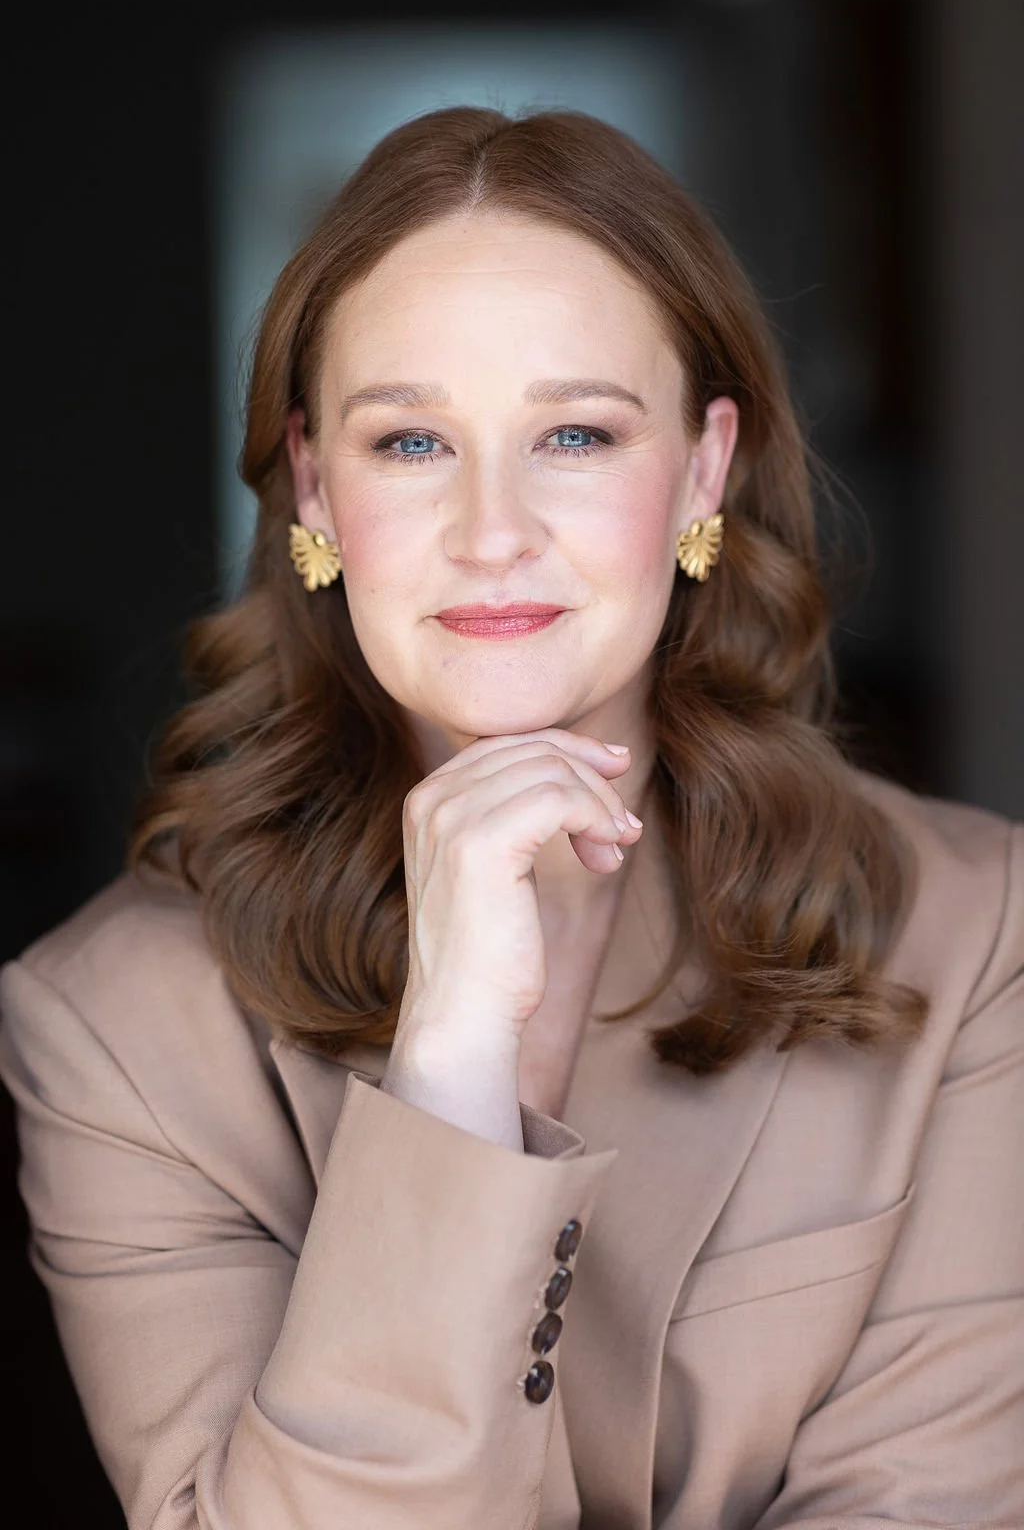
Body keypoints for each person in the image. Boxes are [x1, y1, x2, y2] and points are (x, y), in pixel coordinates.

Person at [0, 104, 1020, 1530]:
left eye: (578, 434)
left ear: (705, 470)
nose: (492, 530)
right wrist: (450, 1072)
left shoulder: (975, 933)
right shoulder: (110, 1028)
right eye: (412, 442)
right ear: (313, 484)